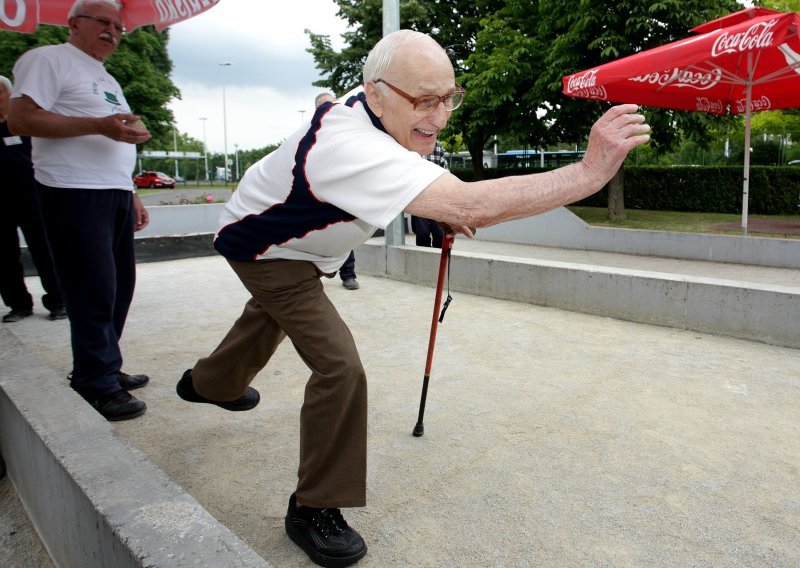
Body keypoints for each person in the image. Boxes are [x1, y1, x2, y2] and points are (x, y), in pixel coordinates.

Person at [176, 30, 649, 566]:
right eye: (424, 100)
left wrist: (435, 205)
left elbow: (418, 182)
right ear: (375, 93)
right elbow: (467, 203)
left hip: (296, 241)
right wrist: (586, 173)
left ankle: (209, 383)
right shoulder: (348, 143)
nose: (440, 116)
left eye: (449, 96)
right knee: (339, 367)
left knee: (270, 317)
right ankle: (313, 508)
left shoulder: (376, 110)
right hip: (269, 251)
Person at [7, 0, 153, 421]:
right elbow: (21, 119)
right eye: (102, 21)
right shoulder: (47, 59)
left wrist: (131, 190)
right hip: (72, 189)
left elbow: (112, 136)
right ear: (74, 24)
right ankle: (94, 383)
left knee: (119, 286)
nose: (111, 30)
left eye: (117, 26)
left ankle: (105, 366)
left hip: (112, 191)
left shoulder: (104, 75)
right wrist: (101, 126)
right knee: (92, 288)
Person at [0, 76, 66, 323]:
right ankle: (18, 304)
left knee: (45, 251)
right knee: (4, 257)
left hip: (33, 199)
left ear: (10, 94)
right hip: (2, 204)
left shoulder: (27, 125)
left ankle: (59, 300)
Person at [315, 91, 360, 290]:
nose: (329, 109)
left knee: (344, 234)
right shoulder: (310, 132)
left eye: (331, 104)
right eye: (324, 106)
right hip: (317, 195)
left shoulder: (347, 129)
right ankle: (310, 276)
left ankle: (348, 274)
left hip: (342, 194)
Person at [412, 139, 448, 247]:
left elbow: (445, 170)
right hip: (418, 198)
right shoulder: (410, 145)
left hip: (436, 198)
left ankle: (439, 262)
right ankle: (423, 262)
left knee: (439, 235)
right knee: (422, 235)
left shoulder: (437, 145)